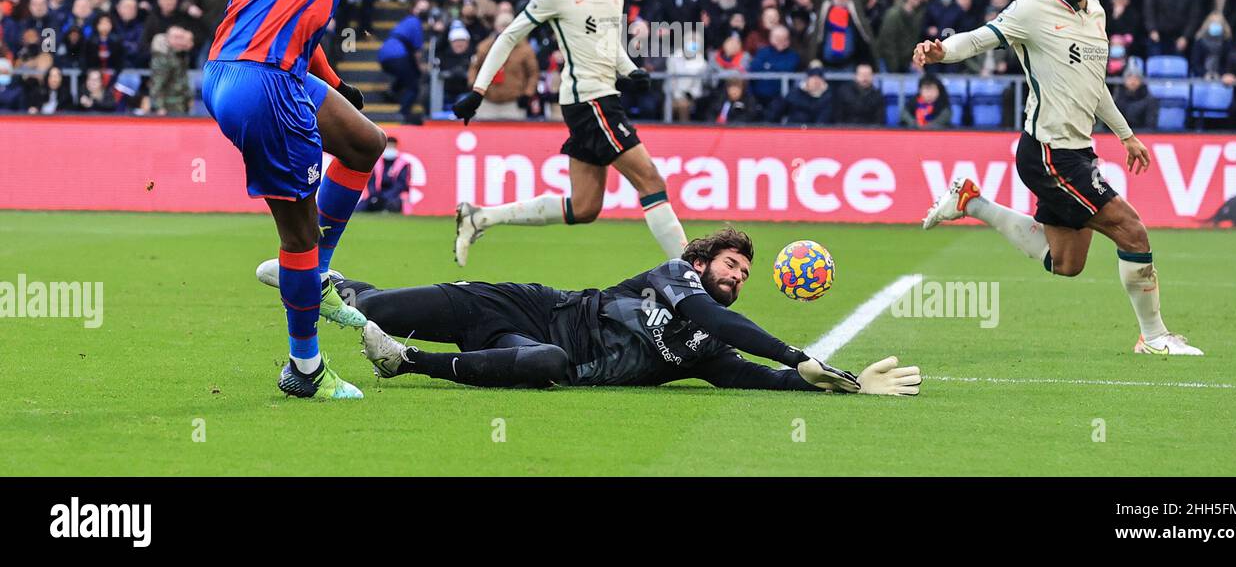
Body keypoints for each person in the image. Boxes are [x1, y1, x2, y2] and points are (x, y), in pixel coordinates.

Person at [202, 0, 514, 399]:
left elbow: (296, 22)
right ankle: (305, 368)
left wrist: (337, 85)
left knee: (365, 141)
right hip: (263, 79)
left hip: (239, 67)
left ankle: (315, 271)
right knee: (299, 231)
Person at [913, 0, 1203, 356]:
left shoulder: (1098, 14)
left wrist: (1126, 136)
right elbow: (980, 38)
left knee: (1066, 263)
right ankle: (1155, 336)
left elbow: (1095, 86)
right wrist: (942, 53)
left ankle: (972, 203)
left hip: (1077, 150)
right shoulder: (1032, 8)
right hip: (1049, 153)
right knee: (1132, 232)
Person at [254, 227, 922, 396]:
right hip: (523, 303)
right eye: (731, 263)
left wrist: (843, 380)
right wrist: (796, 352)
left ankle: (406, 362)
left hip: (539, 347)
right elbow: (723, 323)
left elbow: (756, 372)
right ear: (705, 260)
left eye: (745, 273)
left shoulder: (705, 354)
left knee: (547, 365)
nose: (736, 275)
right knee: (374, 301)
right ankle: (334, 286)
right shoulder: (674, 277)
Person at [449, 0, 685, 266]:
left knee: (585, 207)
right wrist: (478, 90)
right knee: (650, 180)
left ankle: (479, 217)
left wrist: (630, 70)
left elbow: (609, 43)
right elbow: (510, 36)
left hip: (600, 98)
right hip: (590, 100)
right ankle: (690, 274)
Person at [376, 0, 429, 124]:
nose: (423, 11)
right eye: (420, 8)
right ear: (413, 9)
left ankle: (391, 92)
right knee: (413, 86)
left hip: (385, 54)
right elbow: (417, 51)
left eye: (425, 9)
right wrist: (421, 67)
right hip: (397, 55)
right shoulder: (415, 21)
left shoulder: (406, 21)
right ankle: (402, 114)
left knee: (408, 73)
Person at [362, 136, 411, 213]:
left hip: (394, 196)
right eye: (388, 146)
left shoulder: (403, 163)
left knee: (392, 205)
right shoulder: (376, 162)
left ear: (396, 147)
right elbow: (371, 182)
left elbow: (401, 184)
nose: (390, 148)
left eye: (392, 146)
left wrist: (386, 196)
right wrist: (375, 195)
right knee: (362, 207)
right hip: (377, 194)